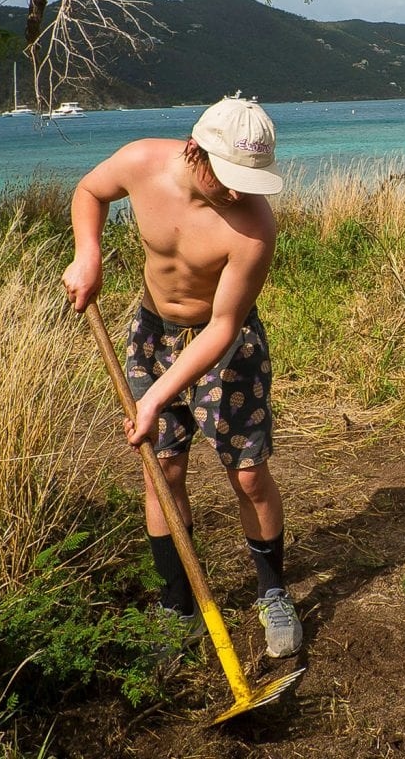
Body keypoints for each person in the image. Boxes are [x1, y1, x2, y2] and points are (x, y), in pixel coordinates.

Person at [61, 95, 303, 658]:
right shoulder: (143, 161)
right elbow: (90, 192)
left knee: (247, 474)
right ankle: (179, 606)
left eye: (252, 178)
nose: (241, 191)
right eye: (230, 177)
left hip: (225, 346)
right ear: (195, 153)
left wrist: (155, 400)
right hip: (153, 334)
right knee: (161, 469)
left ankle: (273, 592)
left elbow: (222, 326)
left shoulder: (254, 228)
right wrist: (87, 252)